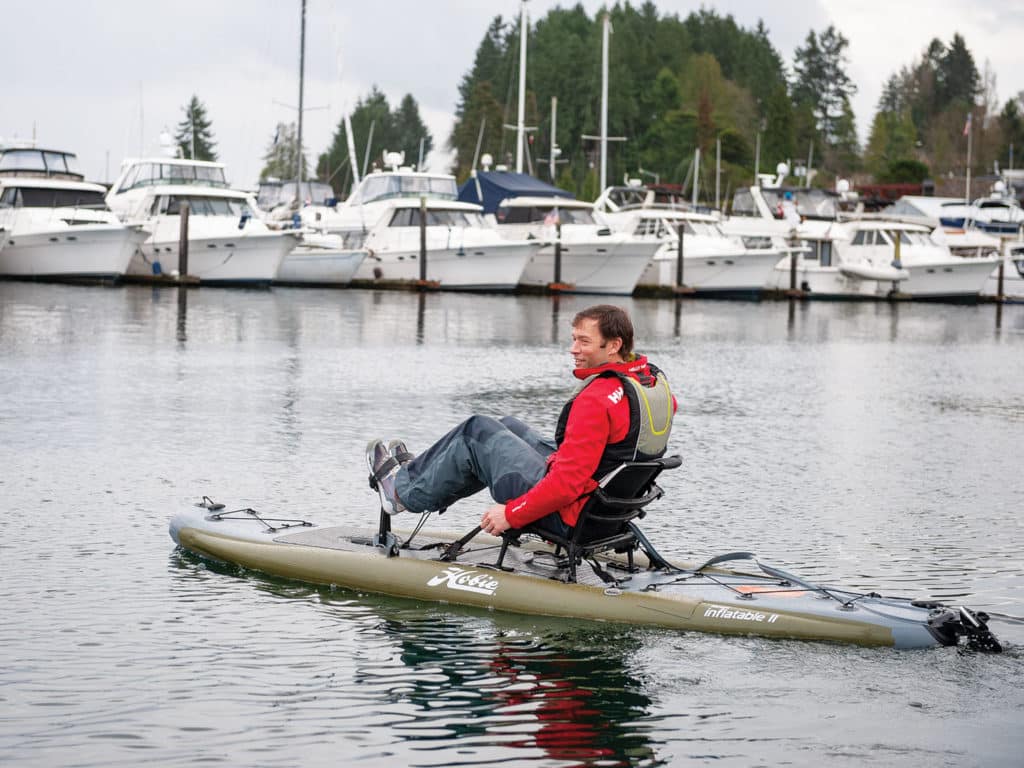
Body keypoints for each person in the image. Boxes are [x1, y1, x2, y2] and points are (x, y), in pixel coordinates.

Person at [366, 304, 676, 542]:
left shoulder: (595, 400)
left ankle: (400, 493)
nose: (573, 349)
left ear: (613, 345)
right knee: (508, 426)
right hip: (607, 512)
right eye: (573, 340)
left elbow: (566, 485)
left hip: (571, 518)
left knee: (477, 431)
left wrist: (511, 515)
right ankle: (423, 476)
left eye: (584, 342)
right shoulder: (651, 385)